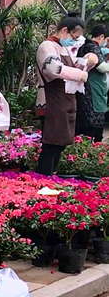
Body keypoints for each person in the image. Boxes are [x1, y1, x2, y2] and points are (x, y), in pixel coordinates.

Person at [35, 12, 90, 175]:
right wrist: (79, 74)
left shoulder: (62, 46)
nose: (74, 41)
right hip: (51, 102)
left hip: (64, 101)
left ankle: (51, 176)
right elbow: (52, 69)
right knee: (51, 145)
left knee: (59, 144)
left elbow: (70, 68)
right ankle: (42, 179)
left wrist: (86, 63)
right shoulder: (47, 46)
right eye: (74, 36)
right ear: (65, 30)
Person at [76, 24, 109, 143]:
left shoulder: (86, 46)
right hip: (92, 94)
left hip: (89, 93)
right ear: (102, 37)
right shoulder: (92, 47)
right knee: (93, 131)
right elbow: (102, 67)